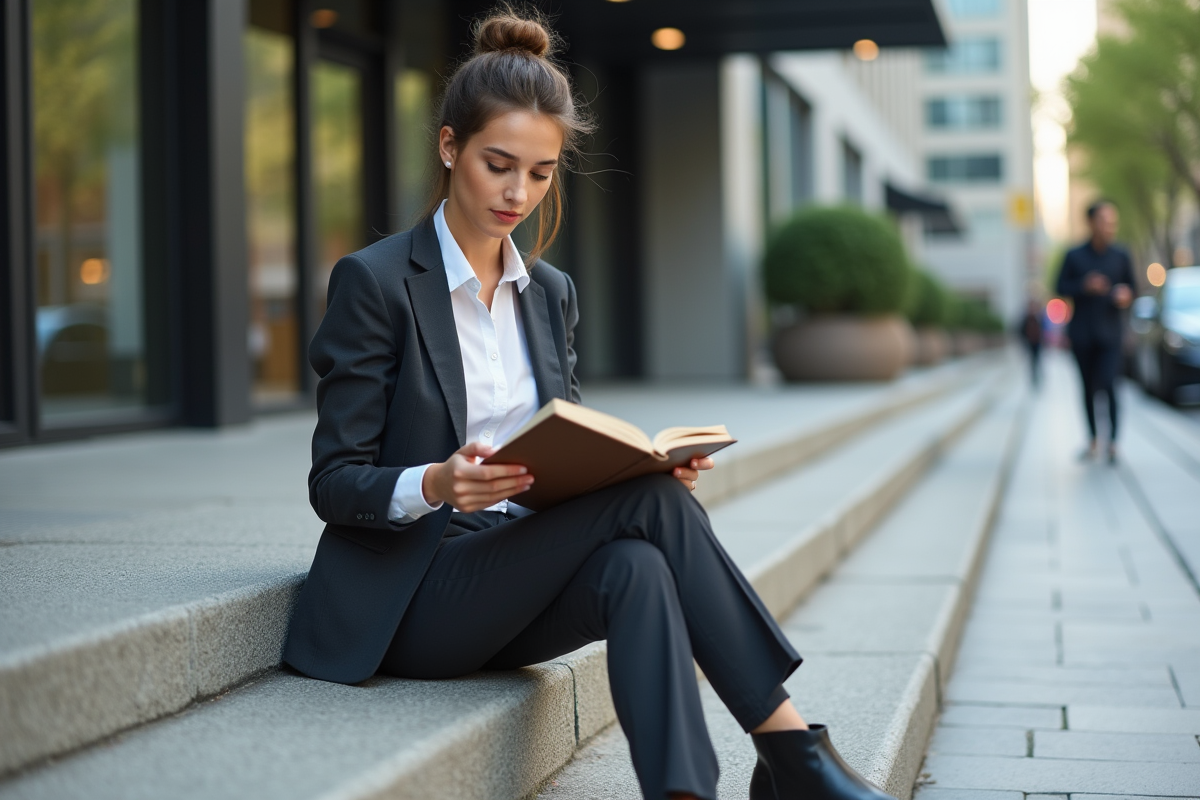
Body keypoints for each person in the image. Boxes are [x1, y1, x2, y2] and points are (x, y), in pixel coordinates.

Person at [283, 10, 895, 800]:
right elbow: (333, 481)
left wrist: (638, 473)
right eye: (498, 165)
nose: (518, 193)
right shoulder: (375, 284)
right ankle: (790, 752)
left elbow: (561, 449)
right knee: (644, 520)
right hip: (415, 593)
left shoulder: (551, 296)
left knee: (639, 560)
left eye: (540, 174)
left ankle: (685, 791)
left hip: (514, 575)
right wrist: (435, 482)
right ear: (448, 147)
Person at [1055, 200, 1134, 463]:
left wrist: (1125, 295)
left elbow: (1132, 287)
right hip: (1082, 334)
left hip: (1111, 334)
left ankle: (1112, 443)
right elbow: (1060, 287)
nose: (1109, 227)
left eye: (1113, 222)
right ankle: (1092, 440)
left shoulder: (1121, 255)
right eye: (1104, 221)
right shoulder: (1074, 255)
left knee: (1110, 385)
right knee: (1088, 388)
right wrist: (1084, 286)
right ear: (1091, 223)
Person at [1019, 298, 1044, 388]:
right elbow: (1021, 331)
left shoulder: (1039, 318)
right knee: (1032, 360)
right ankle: (1033, 376)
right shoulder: (1026, 319)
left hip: (1037, 343)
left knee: (1038, 359)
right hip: (1029, 343)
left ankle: (1038, 375)